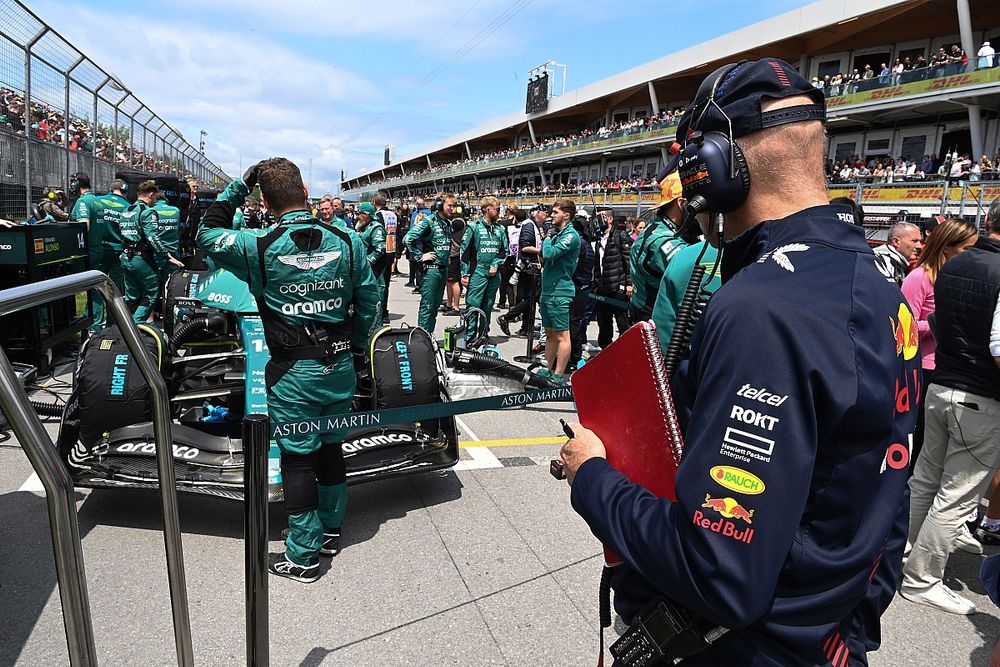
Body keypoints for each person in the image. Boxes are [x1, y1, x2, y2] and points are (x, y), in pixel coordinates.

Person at [561, 58, 919, 665]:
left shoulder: (762, 306)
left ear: (715, 167)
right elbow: (890, 497)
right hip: (826, 640)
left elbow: (718, 570)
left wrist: (591, 477)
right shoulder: (884, 285)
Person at [197, 158, 378, 582]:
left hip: (293, 375)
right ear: (305, 191)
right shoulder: (348, 240)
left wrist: (236, 188)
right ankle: (330, 530)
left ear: (264, 200)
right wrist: (354, 349)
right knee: (330, 449)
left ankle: (303, 557)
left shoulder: (256, 244)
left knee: (298, 461)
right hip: (339, 368)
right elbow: (371, 297)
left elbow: (206, 233)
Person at [902, 212, 1000, 614]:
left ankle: (901, 552)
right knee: (956, 495)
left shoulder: (956, 263)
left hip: (942, 384)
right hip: (979, 395)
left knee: (926, 480)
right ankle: (922, 579)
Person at [900, 218, 978, 474]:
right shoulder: (920, 277)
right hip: (923, 368)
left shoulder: (958, 277)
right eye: (967, 249)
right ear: (947, 247)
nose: (972, 255)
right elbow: (905, 326)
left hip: (950, 368)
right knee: (920, 438)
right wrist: (939, 322)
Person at [628, 172, 688, 322]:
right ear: (682, 203)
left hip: (650, 311)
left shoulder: (657, 227)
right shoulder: (663, 240)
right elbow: (694, 276)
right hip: (655, 318)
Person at [539, 198, 580, 379]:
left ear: (566, 215)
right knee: (550, 334)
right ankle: (547, 369)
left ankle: (558, 375)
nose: (551, 216)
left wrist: (547, 237)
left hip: (560, 292)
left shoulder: (571, 235)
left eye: (555, 212)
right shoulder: (558, 235)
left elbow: (548, 253)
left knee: (562, 335)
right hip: (548, 291)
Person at [404, 194, 456, 333]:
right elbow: (408, 239)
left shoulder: (447, 223)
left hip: (443, 269)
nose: (453, 209)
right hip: (431, 270)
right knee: (427, 305)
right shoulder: (428, 221)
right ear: (440, 206)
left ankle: (429, 334)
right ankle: (422, 337)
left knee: (435, 306)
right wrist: (420, 256)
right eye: (450, 206)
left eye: (454, 206)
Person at [460, 196, 508, 343]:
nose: (499, 212)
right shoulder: (473, 227)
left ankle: (483, 335)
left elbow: (505, 250)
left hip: (494, 273)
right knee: (473, 305)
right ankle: (469, 336)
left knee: (488, 305)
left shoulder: (500, 229)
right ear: (488, 209)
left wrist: (495, 264)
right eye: (497, 209)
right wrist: (464, 274)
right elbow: (465, 252)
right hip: (478, 272)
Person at [119, 180, 165, 323]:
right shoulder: (147, 211)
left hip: (126, 257)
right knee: (151, 293)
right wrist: (167, 256)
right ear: (151, 195)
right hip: (142, 259)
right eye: (155, 197)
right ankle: (136, 326)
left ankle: (126, 326)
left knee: (131, 295)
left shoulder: (126, 210)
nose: (156, 200)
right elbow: (153, 238)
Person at [70, 172, 110, 331]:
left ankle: (91, 325)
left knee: (69, 287)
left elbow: (83, 225)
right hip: (97, 249)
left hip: (85, 253)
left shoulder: (83, 201)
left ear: (77, 184)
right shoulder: (98, 201)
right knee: (94, 288)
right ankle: (94, 322)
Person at [498, 205, 545, 336]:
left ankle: (526, 328)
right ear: (538, 213)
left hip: (534, 267)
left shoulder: (536, 226)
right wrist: (544, 251)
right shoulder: (529, 225)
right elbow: (525, 247)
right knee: (531, 299)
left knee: (530, 299)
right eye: (545, 212)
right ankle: (507, 317)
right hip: (529, 267)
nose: (547, 215)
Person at [593, 207, 633, 349]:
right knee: (603, 322)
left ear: (610, 219)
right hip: (602, 287)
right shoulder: (599, 238)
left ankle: (625, 350)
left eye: (601, 217)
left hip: (618, 287)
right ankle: (605, 349)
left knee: (622, 321)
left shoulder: (620, 236)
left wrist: (629, 283)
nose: (597, 221)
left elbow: (628, 261)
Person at [93, 179, 129, 327]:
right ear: (125, 191)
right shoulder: (127, 206)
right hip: (118, 250)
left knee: (96, 285)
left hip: (100, 248)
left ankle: (95, 324)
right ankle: (112, 324)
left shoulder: (99, 201)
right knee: (114, 288)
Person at [355, 202, 387, 325]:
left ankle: (376, 328)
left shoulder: (376, 228)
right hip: (362, 272)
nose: (357, 216)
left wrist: (367, 263)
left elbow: (380, 249)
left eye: (359, 213)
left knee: (375, 302)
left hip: (374, 272)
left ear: (367, 215)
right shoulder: (361, 226)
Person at [152, 191, 183, 288]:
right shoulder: (176, 210)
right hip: (173, 250)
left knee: (154, 282)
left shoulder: (151, 211)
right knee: (171, 282)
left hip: (157, 251)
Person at [373, 192, 396, 318]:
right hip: (391, 250)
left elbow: (379, 233)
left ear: (374, 203)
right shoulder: (393, 214)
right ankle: (385, 310)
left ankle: (380, 312)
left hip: (382, 253)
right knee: (386, 284)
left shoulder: (378, 215)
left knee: (379, 284)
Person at [406, 198, 432, 289]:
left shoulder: (415, 213)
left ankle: (417, 284)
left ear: (417, 204)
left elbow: (412, 228)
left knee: (416, 262)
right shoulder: (430, 213)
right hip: (427, 241)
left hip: (417, 240)